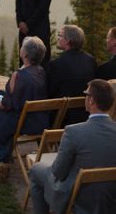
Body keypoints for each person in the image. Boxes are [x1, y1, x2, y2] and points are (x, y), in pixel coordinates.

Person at [30, 79, 116, 214]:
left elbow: (58, 172)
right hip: (111, 197)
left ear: (91, 100)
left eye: (86, 95)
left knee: (36, 169)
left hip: (80, 196)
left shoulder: (73, 132)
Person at [0, 35, 49, 167]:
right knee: (0, 96)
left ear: (25, 53)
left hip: (24, 120)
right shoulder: (41, 71)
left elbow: (7, 105)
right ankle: (1, 155)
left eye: (22, 46)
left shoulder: (19, 75)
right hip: (39, 119)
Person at [47, 24, 96, 125]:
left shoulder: (57, 64)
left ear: (68, 41)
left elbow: (50, 92)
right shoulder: (90, 60)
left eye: (60, 36)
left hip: (62, 118)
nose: (58, 38)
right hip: (85, 114)